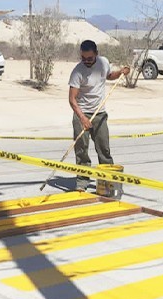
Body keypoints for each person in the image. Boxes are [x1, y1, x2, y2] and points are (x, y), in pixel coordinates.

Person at [68, 40, 130, 191]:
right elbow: (72, 99)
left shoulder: (103, 62)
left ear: (96, 53)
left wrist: (120, 72)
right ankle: (82, 182)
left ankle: (107, 181)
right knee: (81, 150)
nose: (86, 61)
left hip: (99, 114)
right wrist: (83, 118)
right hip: (81, 113)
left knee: (104, 149)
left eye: (89, 58)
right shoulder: (77, 71)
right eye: (83, 58)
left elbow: (109, 75)